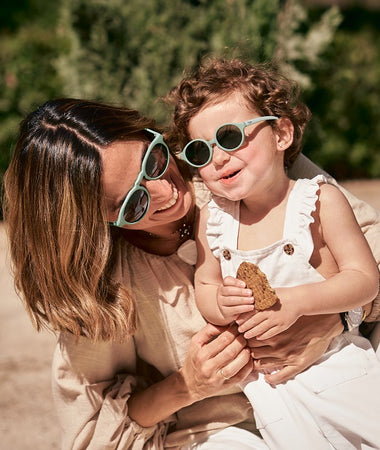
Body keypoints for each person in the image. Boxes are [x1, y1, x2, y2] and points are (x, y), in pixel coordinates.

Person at [3, 98, 380, 449]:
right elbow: (92, 428)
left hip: (340, 373)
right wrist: (189, 385)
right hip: (225, 434)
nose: (165, 191)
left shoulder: (235, 160)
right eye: (134, 203)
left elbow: (369, 253)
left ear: (151, 133)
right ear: (91, 223)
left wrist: (335, 317)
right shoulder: (103, 286)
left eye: (153, 160)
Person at [166, 57, 380, 449]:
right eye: (199, 150)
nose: (217, 158)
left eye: (230, 137)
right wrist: (219, 302)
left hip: (338, 369)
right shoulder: (213, 221)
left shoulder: (319, 201)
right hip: (271, 392)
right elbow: (205, 284)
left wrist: (298, 301)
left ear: (281, 133)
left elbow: (364, 280)